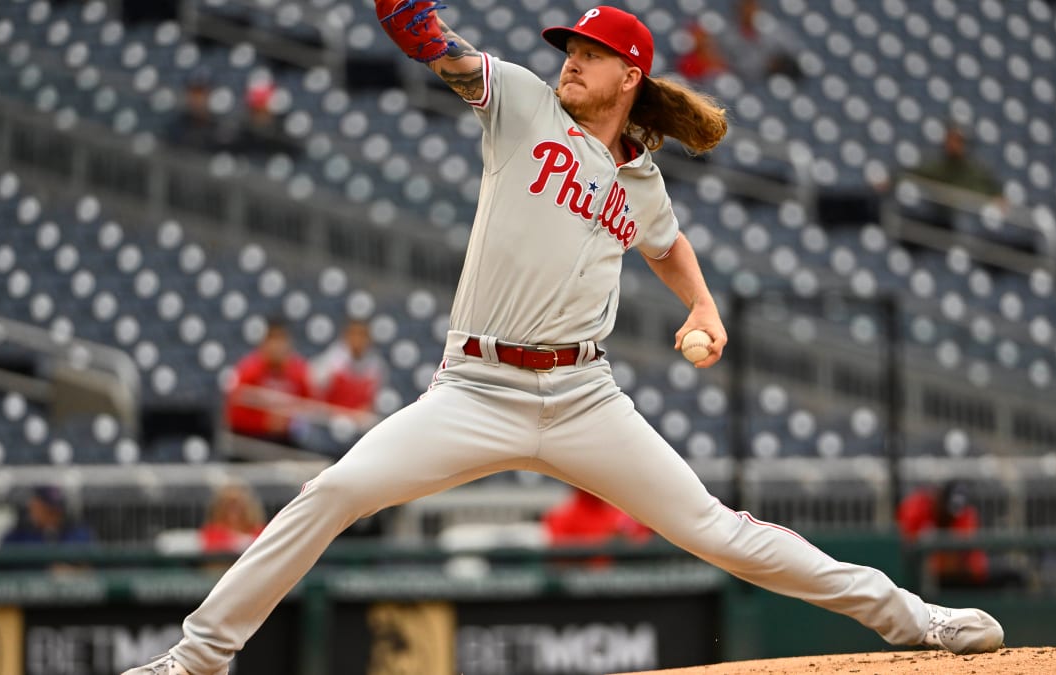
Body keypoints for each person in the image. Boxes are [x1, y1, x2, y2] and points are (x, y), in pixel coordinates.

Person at [126, 5, 1003, 673]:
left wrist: (703, 306)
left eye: (587, 55)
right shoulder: (517, 102)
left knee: (720, 530)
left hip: (585, 396)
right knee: (334, 489)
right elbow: (426, 37)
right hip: (476, 389)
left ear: (629, 76)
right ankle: (198, 657)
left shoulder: (639, 175)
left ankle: (916, 619)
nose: (569, 64)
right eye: (569, 52)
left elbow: (667, 243)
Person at [224, 318, 314, 446]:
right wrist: (264, 422)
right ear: (263, 343)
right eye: (271, 339)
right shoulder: (247, 371)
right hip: (254, 440)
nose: (276, 345)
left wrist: (288, 422)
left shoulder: (300, 372)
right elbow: (234, 416)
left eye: (281, 339)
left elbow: (310, 410)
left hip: (290, 442)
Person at [310, 318, 388, 413]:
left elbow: (374, 399)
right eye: (353, 334)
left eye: (362, 335)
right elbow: (315, 391)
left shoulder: (376, 366)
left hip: (358, 419)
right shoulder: (330, 360)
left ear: (369, 339)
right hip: (330, 416)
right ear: (345, 336)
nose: (357, 340)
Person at [718, 0, 805, 81]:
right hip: (754, 82)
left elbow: (797, 52)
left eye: (752, 7)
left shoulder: (777, 29)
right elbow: (739, 67)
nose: (749, 11)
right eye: (745, 8)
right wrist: (765, 66)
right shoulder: (728, 37)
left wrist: (780, 62)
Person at [199, 483, 266, 555]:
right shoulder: (210, 531)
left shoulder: (262, 532)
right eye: (228, 503)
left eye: (238, 502)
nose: (233, 509)